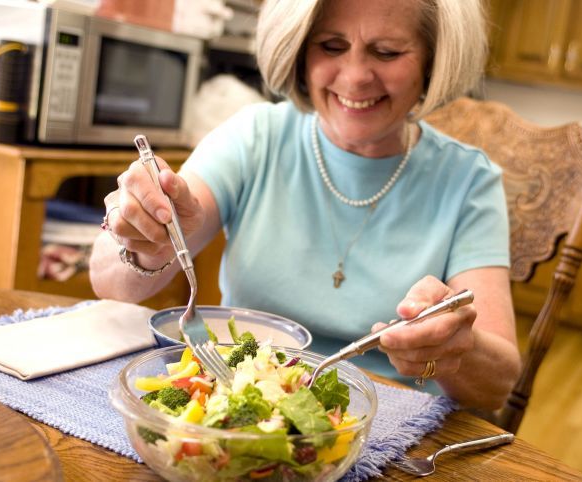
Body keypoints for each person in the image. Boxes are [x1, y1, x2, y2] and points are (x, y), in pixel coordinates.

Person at [89, 0, 521, 410]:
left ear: (433, 61)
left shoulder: (469, 182)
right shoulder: (255, 137)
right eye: (332, 46)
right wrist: (144, 236)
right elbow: (110, 282)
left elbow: (497, 385)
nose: (355, 78)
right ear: (299, 52)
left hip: (394, 430)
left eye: (387, 52)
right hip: (242, 410)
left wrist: (453, 348)